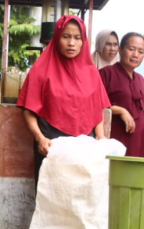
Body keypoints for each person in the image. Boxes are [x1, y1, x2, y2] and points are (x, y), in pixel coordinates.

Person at [17, 15, 111, 183]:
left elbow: (96, 108)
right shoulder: (41, 70)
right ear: (57, 38)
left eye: (77, 38)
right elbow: (28, 110)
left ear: (84, 41)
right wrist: (40, 139)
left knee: (82, 196)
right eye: (66, 36)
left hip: (84, 147)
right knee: (51, 198)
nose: (71, 43)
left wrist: (100, 135)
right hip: (51, 146)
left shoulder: (92, 73)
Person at [99, 33, 144, 158]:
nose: (135, 55)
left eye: (141, 51)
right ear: (121, 50)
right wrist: (120, 111)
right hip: (117, 139)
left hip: (141, 139)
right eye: (131, 49)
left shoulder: (141, 79)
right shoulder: (106, 74)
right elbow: (95, 104)